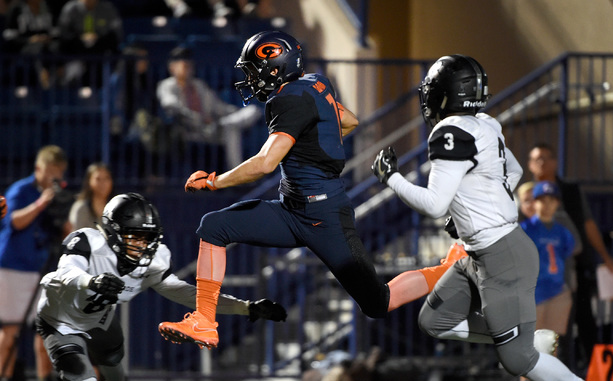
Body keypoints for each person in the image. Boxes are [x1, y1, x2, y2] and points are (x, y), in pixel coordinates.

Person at [158, 31, 466, 350]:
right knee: (214, 226)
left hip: (324, 217)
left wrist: (213, 181)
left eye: (253, 71)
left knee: (378, 303)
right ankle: (205, 321)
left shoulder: (287, 99)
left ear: (274, 68)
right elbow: (348, 120)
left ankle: (447, 268)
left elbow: (265, 163)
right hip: (293, 210)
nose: (250, 80)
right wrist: (317, 142)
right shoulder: (316, 83)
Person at [371, 54, 613, 381]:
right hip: (481, 252)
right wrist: (473, 209)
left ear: (445, 94)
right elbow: (515, 171)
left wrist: (391, 178)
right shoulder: (485, 124)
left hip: (501, 254)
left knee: (516, 359)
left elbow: (434, 203)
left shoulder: (449, 133)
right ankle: (529, 339)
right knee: (433, 319)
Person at [37, 192, 287, 381]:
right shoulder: (89, 242)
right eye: (134, 236)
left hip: (100, 318)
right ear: (113, 232)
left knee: (114, 371)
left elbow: (189, 294)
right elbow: (61, 275)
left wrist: (246, 308)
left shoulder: (154, 262)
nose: (142, 245)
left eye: (147, 238)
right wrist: (91, 281)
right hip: (61, 322)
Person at [528, 143, 613, 369]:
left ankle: (592, 370)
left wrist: (605, 257)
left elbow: (585, 228)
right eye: (537, 159)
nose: (542, 163)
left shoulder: (569, 193)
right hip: (534, 277)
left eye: (546, 158)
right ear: (530, 164)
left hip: (568, 271)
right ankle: (532, 377)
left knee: (577, 321)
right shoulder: (526, 193)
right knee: (534, 330)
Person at [0, 145, 72, 381]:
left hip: (40, 267)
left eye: (59, 172)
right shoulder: (22, 190)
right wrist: (42, 203)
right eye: (51, 170)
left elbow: (65, 232)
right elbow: (14, 220)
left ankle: (45, 380)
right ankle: (4, 378)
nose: (55, 177)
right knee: (10, 328)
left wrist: (62, 212)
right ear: (38, 168)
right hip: (13, 265)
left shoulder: (55, 194)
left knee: (44, 326)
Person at [156, 45, 263, 169]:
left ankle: (237, 175)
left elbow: (218, 107)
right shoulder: (167, 85)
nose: (188, 68)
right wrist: (198, 118)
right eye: (184, 66)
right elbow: (169, 104)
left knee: (250, 113)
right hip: (189, 130)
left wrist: (237, 112)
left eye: (190, 65)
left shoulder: (198, 85)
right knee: (231, 128)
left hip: (213, 127)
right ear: (172, 68)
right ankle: (238, 174)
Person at [518, 181, 577, 381]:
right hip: (533, 290)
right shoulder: (526, 228)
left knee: (551, 340)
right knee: (530, 339)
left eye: (551, 200)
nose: (547, 205)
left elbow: (570, 251)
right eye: (542, 200)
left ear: (557, 203)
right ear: (534, 203)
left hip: (556, 290)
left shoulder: (561, 231)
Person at [57, 0, 123, 85]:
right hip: (76, 54)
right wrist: (80, 38)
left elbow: (116, 34)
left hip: (100, 54)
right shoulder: (70, 9)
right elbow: (63, 34)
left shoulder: (108, 8)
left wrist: (98, 37)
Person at [2, 0, 58, 88]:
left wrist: (47, 38)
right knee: (37, 49)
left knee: (55, 49)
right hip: (24, 51)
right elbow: (9, 36)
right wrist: (29, 40)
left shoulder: (48, 7)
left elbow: (56, 32)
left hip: (47, 47)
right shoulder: (17, 9)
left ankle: (54, 82)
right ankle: (43, 77)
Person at [68, 162, 114, 230]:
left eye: (106, 178)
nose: (103, 183)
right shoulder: (81, 208)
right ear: (89, 181)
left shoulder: (116, 207)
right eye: (98, 179)